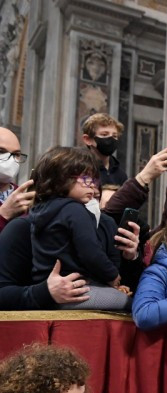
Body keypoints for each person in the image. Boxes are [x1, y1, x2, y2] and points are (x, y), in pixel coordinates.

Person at [28, 146, 131, 310]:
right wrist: (112, 276)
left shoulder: (40, 209)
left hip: (48, 288)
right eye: (86, 179)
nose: (92, 186)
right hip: (73, 291)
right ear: (62, 179)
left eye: (94, 180)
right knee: (131, 304)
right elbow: (91, 252)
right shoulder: (74, 210)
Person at [0, 127, 33, 233]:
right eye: (1, 152)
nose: (10, 160)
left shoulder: (24, 197)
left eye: (16, 154)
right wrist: (3, 214)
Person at [81, 112, 127, 186]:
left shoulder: (121, 175)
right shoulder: (79, 169)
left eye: (114, 136)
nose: (111, 139)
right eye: (104, 134)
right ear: (88, 139)